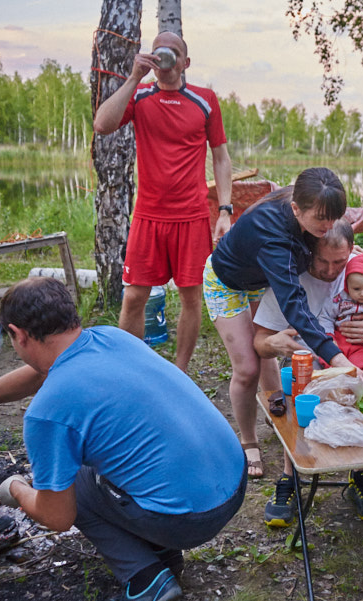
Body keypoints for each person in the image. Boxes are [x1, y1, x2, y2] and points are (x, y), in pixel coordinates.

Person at [0, 277, 246, 601]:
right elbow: (44, 371)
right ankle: (164, 555)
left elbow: (58, 517)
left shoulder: (46, 414)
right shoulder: (111, 337)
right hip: (233, 483)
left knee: (78, 485)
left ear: (17, 334)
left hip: (191, 519)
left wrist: (16, 488)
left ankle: (148, 581)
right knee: (125, 460)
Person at [203, 167, 363, 481]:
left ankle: (278, 418)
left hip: (262, 275)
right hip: (228, 281)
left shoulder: (309, 199)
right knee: (248, 367)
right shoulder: (273, 237)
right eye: (322, 219)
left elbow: (332, 234)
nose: (328, 225)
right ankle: (248, 441)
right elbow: (294, 306)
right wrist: (337, 358)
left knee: (268, 352)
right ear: (295, 209)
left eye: (334, 217)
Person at [93, 31, 233, 373]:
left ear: (186, 63)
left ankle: (179, 371)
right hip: (148, 216)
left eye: (172, 54)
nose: (165, 59)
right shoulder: (139, 96)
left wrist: (225, 209)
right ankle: (132, 369)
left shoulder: (205, 99)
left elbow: (221, 157)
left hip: (191, 216)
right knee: (134, 297)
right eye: (158, 53)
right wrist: (133, 76)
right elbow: (101, 124)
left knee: (190, 298)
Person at [253, 220, 363, 526]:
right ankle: (290, 476)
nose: (331, 272)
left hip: (357, 361)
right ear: (309, 252)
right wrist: (272, 343)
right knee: (300, 395)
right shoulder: (291, 279)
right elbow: (259, 343)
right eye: (322, 261)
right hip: (309, 361)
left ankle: (361, 474)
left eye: (339, 263)